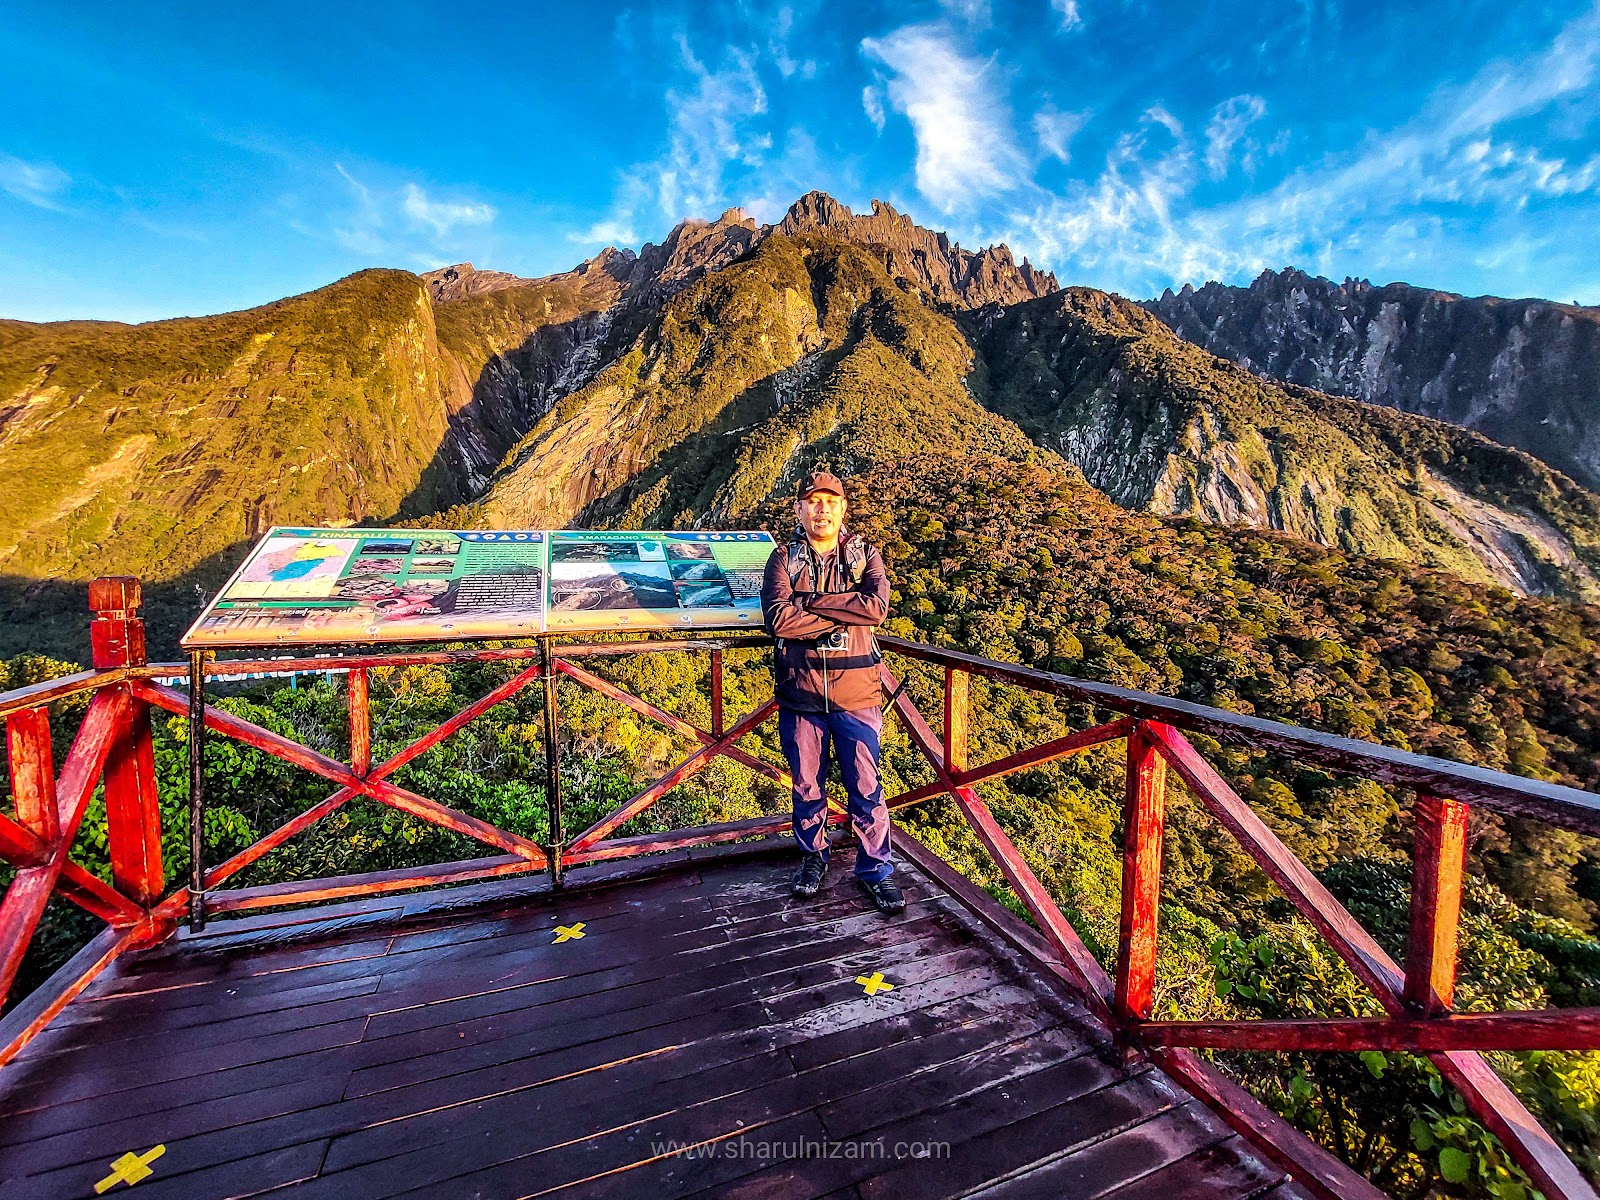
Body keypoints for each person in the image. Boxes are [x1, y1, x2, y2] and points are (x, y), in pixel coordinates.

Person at [760, 471, 904, 914]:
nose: (821, 509)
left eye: (830, 502)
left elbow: (875, 609)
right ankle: (813, 856)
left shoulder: (865, 555)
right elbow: (779, 621)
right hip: (801, 693)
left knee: (866, 785)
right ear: (800, 510)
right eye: (813, 502)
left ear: (843, 509)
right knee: (806, 784)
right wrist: (845, 612)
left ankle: (876, 870)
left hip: (856, 694)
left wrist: (811, 605)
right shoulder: (784, 557)